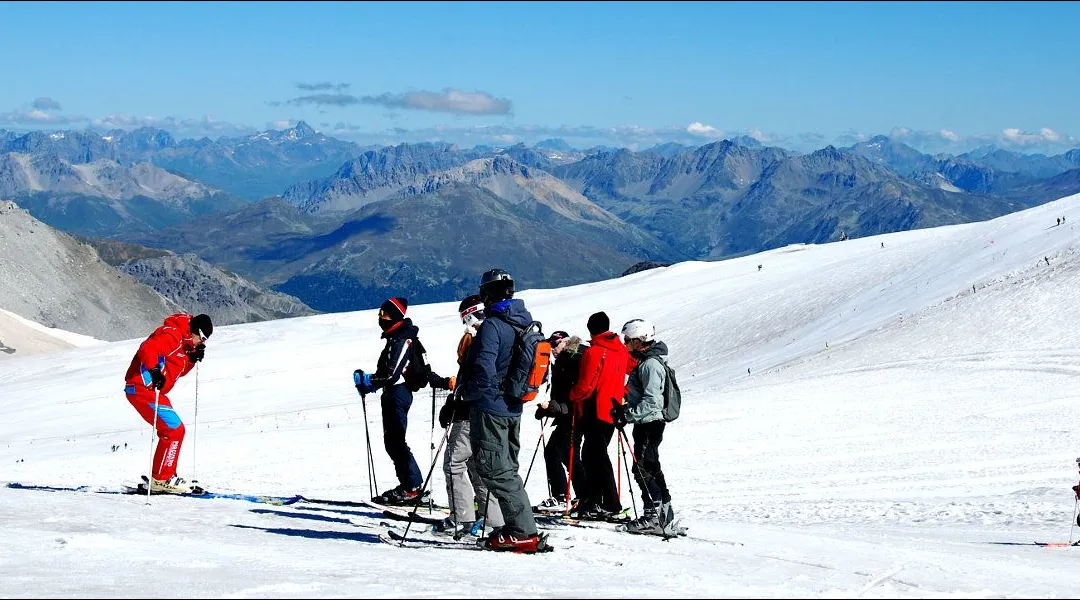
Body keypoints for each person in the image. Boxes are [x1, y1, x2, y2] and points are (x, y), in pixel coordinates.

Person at [459, 268, 548, 553]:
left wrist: (465, 397)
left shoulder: (493, 326)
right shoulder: (522, 321)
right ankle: (517, 527)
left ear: (487, 293)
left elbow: (483, 369)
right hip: (513, 406)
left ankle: (522, 531)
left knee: (495, 470)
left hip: (491, 407)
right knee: (506, 468)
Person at [432, 294, 506, 538]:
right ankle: (492, 519)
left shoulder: (475, 340)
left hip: (468, 414)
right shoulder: (497, 337)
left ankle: (461, 517)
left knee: (454, 463)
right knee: (478, 466)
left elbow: (470, 377)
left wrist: (457, 402)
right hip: (490, 412)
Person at [355, 297, 441, 505]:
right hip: (396, 392)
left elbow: (392, 374)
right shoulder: (399, 337)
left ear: (393, 315)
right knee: (394, 441)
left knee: (395, 441)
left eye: (383, 313)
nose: (380, 317)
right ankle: (410, 485)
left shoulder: (402, 339)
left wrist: (368, 382)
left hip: (398, 393)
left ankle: (411, 487)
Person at [123, 313, 212, 493]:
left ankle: (163, 476)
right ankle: (162, 478)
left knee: (173, 430)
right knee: (173, 429)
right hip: (142, 388)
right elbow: (147, 349)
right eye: (202, 338)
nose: (202, 343)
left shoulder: (185, 343)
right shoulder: (172, 335)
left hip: (150, 391)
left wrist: (192, 358)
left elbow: (176, 370)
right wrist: (154, 370)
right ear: (195, 331)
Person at [612, 318, 677, 535]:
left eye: (628, 340)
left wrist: (627, 415)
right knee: (650, 465)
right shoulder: (646, 362)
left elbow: (652, 402)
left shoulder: (650, 364)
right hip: (646, 422)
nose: (626, 344)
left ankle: (653, 517)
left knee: (642, 468)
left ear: (640, 340)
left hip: (649, 423)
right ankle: (665, 515)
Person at [569, 311, 632, 520]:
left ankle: (610, 504)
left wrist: (573, 395)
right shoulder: (621, 349)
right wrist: (624, 392)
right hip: (613, 410)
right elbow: (633, 368)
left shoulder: (595, 351)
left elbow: (586, 385)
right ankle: (596, 502)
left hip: (594, 409)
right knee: (595, 456)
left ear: (591, 328)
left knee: (595, 457)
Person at [533, 331, 588, 513]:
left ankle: (560, 497)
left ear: (565, 342)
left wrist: (553, 407)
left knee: (553, 453)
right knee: (569, 456)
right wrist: (550, 408)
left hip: (574, 415)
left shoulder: (573, 359)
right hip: (572, 415)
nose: (552, 349)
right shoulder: (565, 359)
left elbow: (572, 394)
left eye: (555, 344)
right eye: (550, 345)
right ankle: (585, 496)